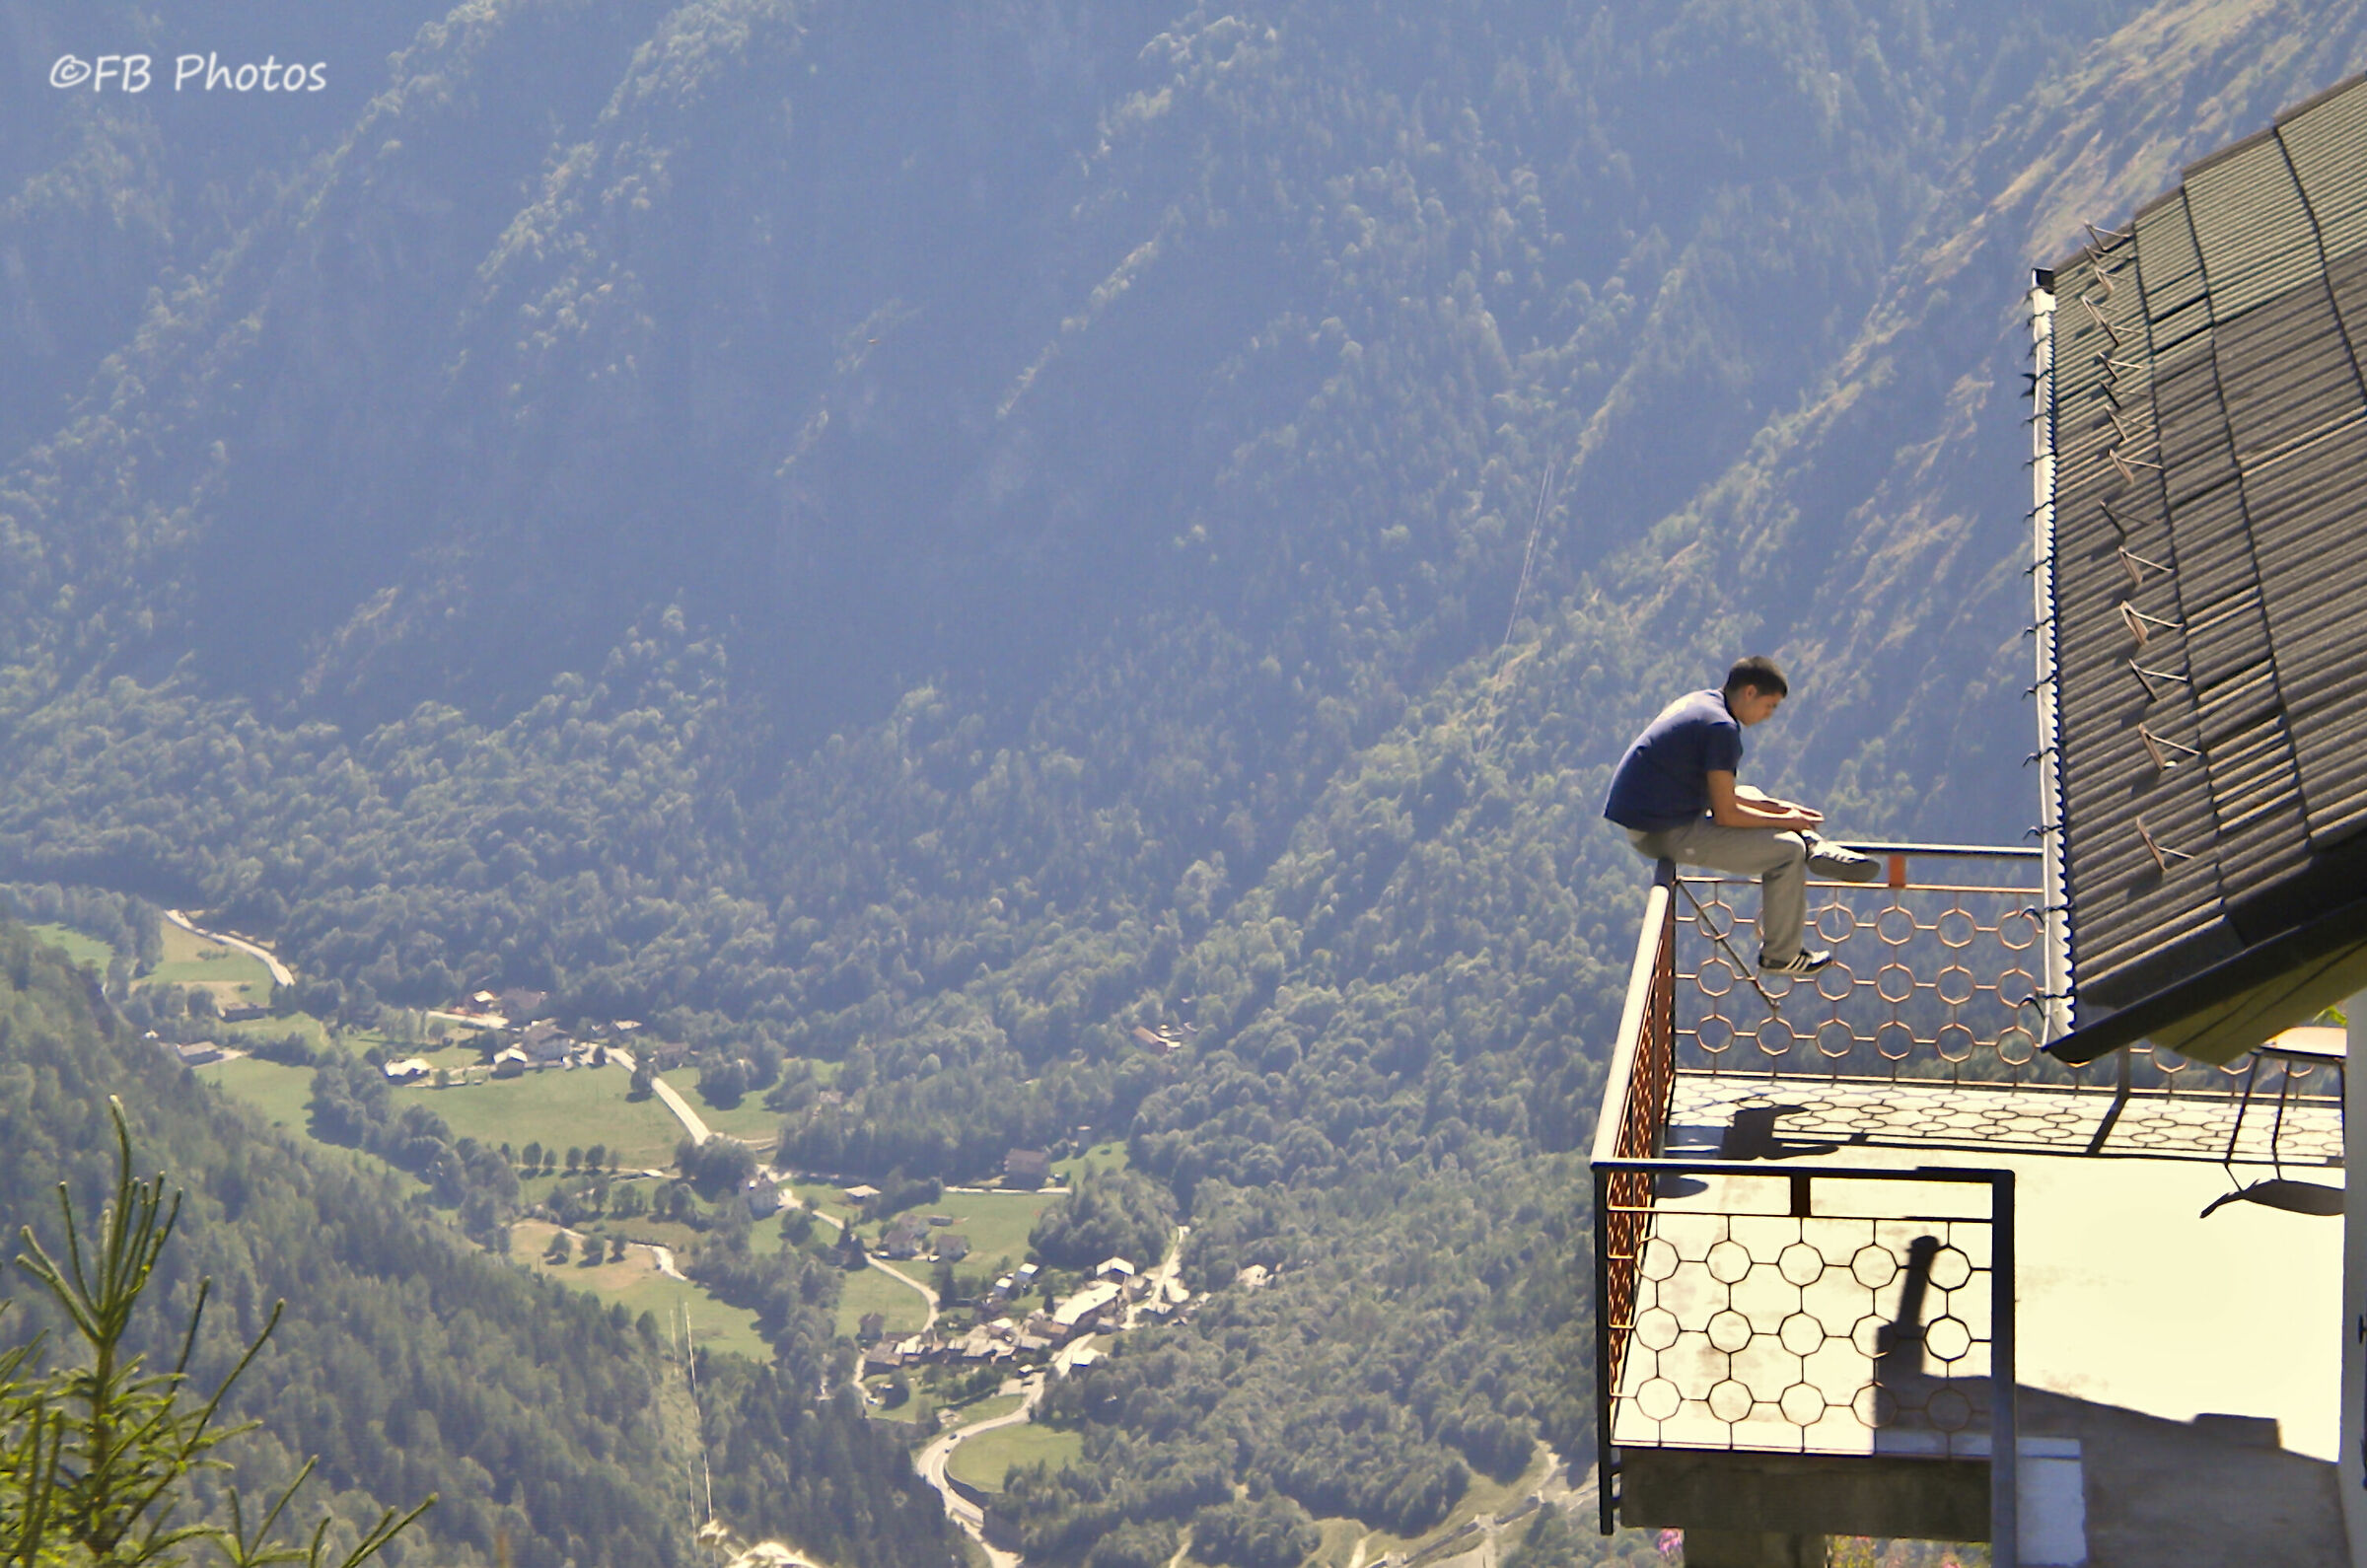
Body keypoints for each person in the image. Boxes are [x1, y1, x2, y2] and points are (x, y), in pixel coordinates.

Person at [1603, 656, 1876, 974]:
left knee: (1754, 794)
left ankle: (1815, 845)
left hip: (1657, 814)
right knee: (1788, 852)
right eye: (1769, 706)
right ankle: (1781, 955)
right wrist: (1786, 822)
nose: (1769, 716)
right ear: (1749, 692)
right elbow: (1727, 814)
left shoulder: (1704, 702)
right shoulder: (1722, 729)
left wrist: (1782, 811)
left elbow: (1728, 799)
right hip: (1659, 833)